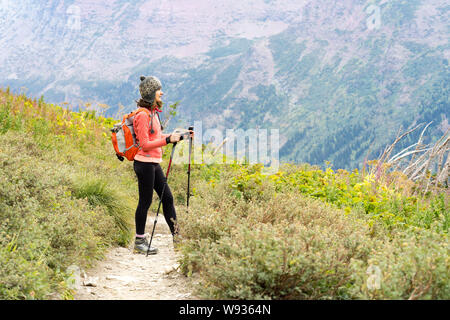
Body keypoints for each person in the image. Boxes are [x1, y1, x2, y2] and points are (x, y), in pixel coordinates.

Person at [132, 75, 193, 255]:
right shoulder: (143, 115)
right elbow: (144, 144)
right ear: (151, 93)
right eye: (159, 90)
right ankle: (139, 241)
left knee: (167, 198)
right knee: (145, 201)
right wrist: (168, 140)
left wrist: (180, 136)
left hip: (153, 163)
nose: (162, 93)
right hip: (144, 164)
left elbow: (156, 137)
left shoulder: (152, 114)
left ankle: (178, 238)